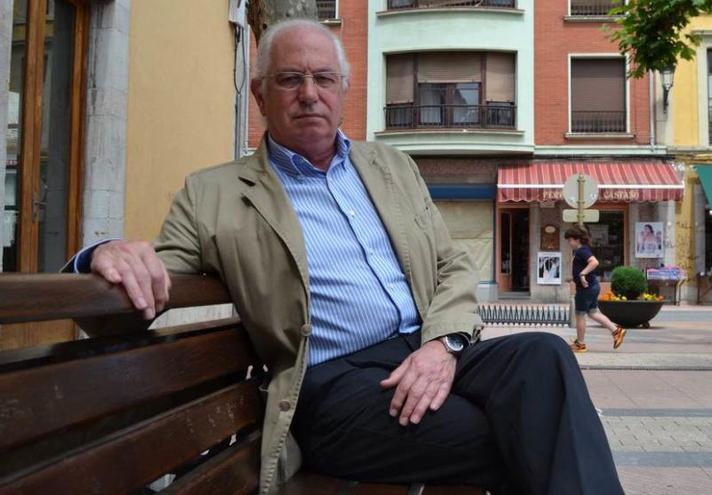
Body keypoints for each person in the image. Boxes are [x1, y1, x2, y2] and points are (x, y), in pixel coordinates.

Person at [70, 20, 624, 495]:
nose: (309, 93)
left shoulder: (391, 166)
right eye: (290, 79)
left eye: (323, 79)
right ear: (260, 94)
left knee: (545, 357)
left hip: (426, 347)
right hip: (333, 386)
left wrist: (445, 344)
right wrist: (105, 257)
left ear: (343, 90)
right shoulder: (213, 193)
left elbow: (452, 265)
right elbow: (144, 289)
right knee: (529, 432)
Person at [564, 227, 626, 353]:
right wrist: (573, 277)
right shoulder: (581, 250)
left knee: (580, 315)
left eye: (570, 240)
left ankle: (580, 344)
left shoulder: (582, 251)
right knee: (592, 313)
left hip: (586, 289)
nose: (569, 243)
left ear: (577, 240)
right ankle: (616, 330)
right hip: (591, 286)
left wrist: (581, 274)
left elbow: (594, 262)